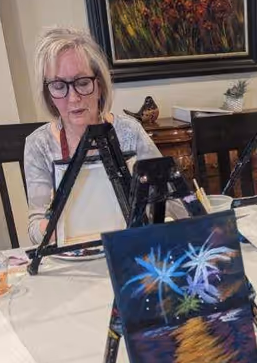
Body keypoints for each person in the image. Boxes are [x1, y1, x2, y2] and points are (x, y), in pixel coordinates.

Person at [24, 27, 161, 245]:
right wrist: (55, 218)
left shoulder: (130, 132)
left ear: (99, 85)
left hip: (129, 249)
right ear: (48, 94)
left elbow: (172, 204)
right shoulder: (38, 145)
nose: (74, 98)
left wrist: (149, 200)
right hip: (74, 261)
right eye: (59, 86)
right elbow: (34, 232)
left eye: (82, 82)